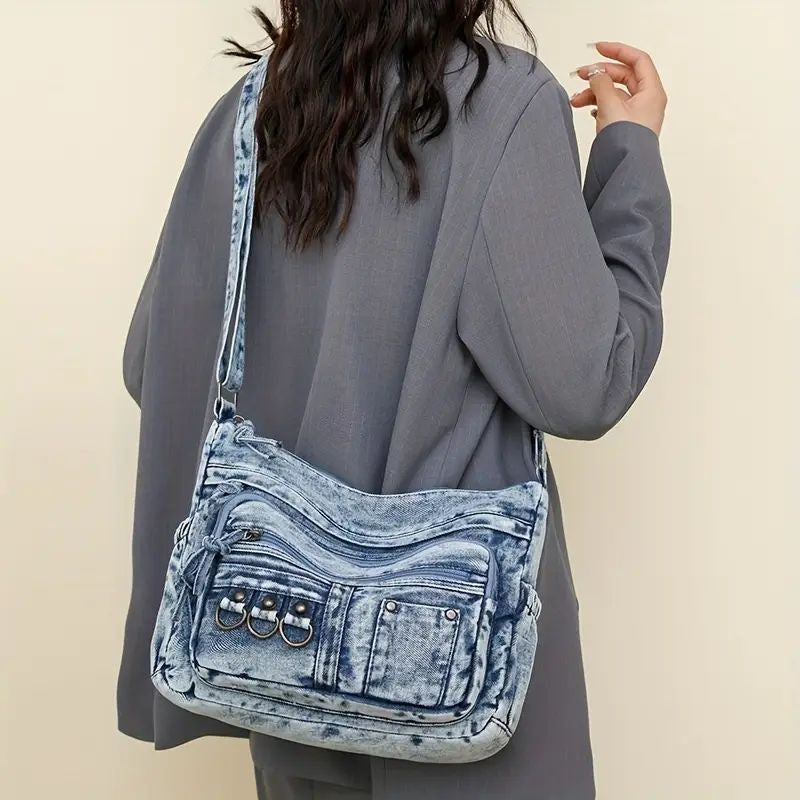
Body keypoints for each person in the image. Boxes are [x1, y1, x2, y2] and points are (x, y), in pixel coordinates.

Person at [117, 4, 670, 799]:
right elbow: (586, 383)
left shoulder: (250, 113)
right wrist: (631, 155)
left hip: (286, 672)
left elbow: (154, 366)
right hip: (459, 680)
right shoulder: (500, 103)